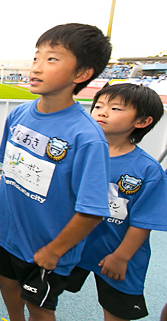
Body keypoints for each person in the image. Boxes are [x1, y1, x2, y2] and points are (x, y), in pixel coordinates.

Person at [0, 23, 112, 321]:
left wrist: (55, 250)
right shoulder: (18, 114)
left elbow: (93, 210)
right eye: (36, 57)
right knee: (3, 279)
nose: (37, 67)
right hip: (6, 232)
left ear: (82, 74)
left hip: (46, 247)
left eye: (52, 59)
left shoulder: (87, 137)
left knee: (40, 308)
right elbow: (9, 168)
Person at [66, 83, 167, 321]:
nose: (102, 112)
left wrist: (121, 257)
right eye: (98, 105)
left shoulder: (148, 170)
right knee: (42, 297)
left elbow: (143, 221)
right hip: (71, 246)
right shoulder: (78, 151)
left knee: (116, 313)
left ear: (142, 121)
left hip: (117, 255)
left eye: (115, 108)